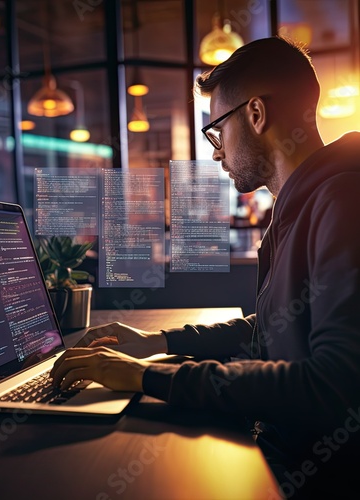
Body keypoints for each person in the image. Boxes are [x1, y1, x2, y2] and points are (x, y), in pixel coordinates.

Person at [50, 36, 360, 499]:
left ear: (255, 115)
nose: (215, 152)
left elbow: (333, 384)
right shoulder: (304, 203)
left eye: (217, 130)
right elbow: (276, 327)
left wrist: (144, 376)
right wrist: (156, 343)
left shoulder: (340, 201)